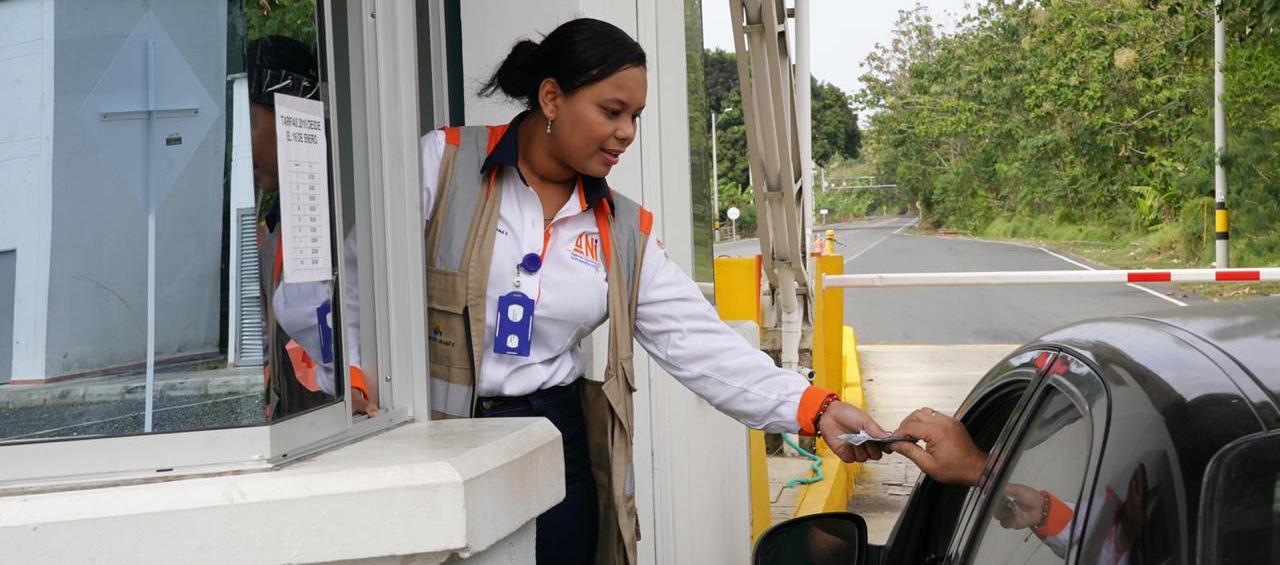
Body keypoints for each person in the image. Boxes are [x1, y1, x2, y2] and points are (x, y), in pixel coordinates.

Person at [419, 18, 888, 565]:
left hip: (555, 446)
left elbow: (696, 341)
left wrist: (813, 406)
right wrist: (354, 386)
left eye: (635, 117)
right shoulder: (444, 164)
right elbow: (356, 295)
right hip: (441, 443)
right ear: (551, 97)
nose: (626, 133)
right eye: (611, 111)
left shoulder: (620, 229)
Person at [247, 35, 374, 419]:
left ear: (293, 121)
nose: (241, 144)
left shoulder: (348, 210)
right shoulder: (278, 220)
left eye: (250, 122)